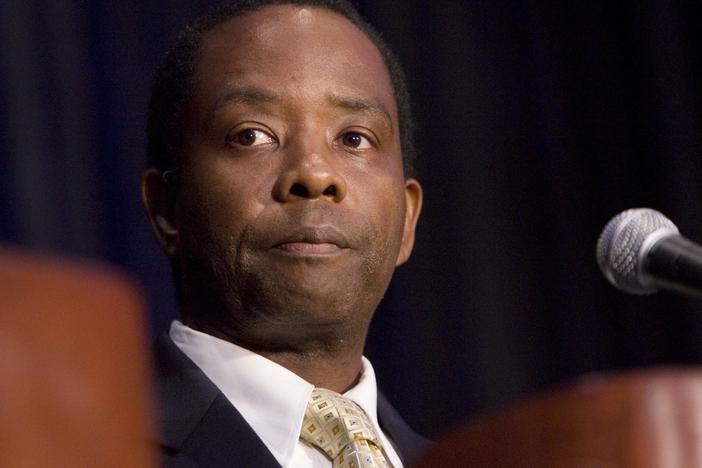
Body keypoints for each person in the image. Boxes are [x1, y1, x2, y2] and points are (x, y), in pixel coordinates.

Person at [140, 1, 426, 466]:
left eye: (354, 138)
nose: (314, 174)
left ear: (408, 221)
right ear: (166, 208)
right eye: (252, 135)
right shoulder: (80, 445)